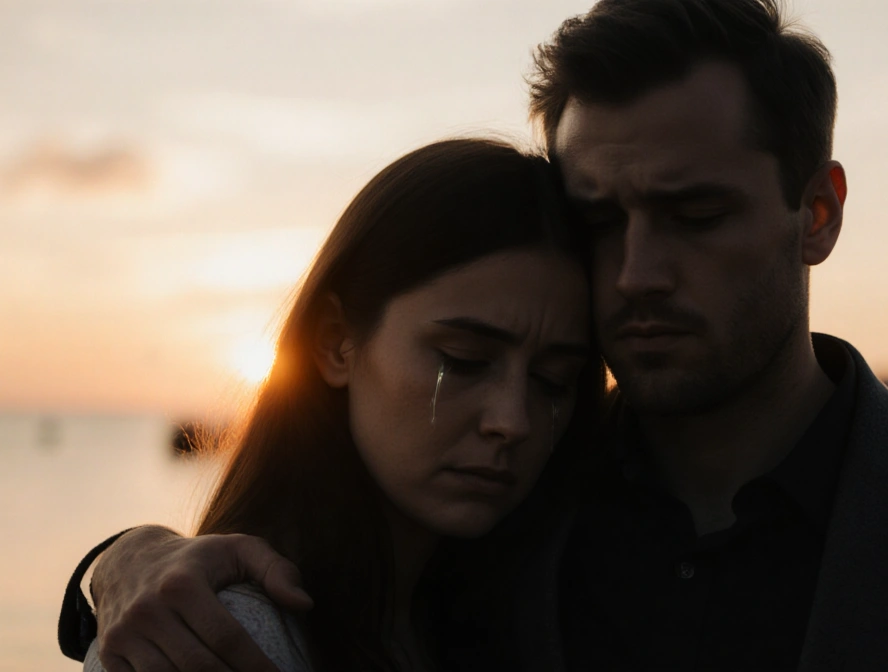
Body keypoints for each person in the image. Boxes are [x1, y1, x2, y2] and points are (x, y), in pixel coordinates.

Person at [61, 1, 888, 670]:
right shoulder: (497, 502)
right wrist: (123, 563)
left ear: (816, 211)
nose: (636, 272)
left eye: (694, 215)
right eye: (599, 220)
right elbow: (320, 578)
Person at [65, 137, 606, 671]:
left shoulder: (491, 622)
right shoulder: (223, 637)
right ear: (333, 342)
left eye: (553, 381)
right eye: (461, 361)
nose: (513, 421)